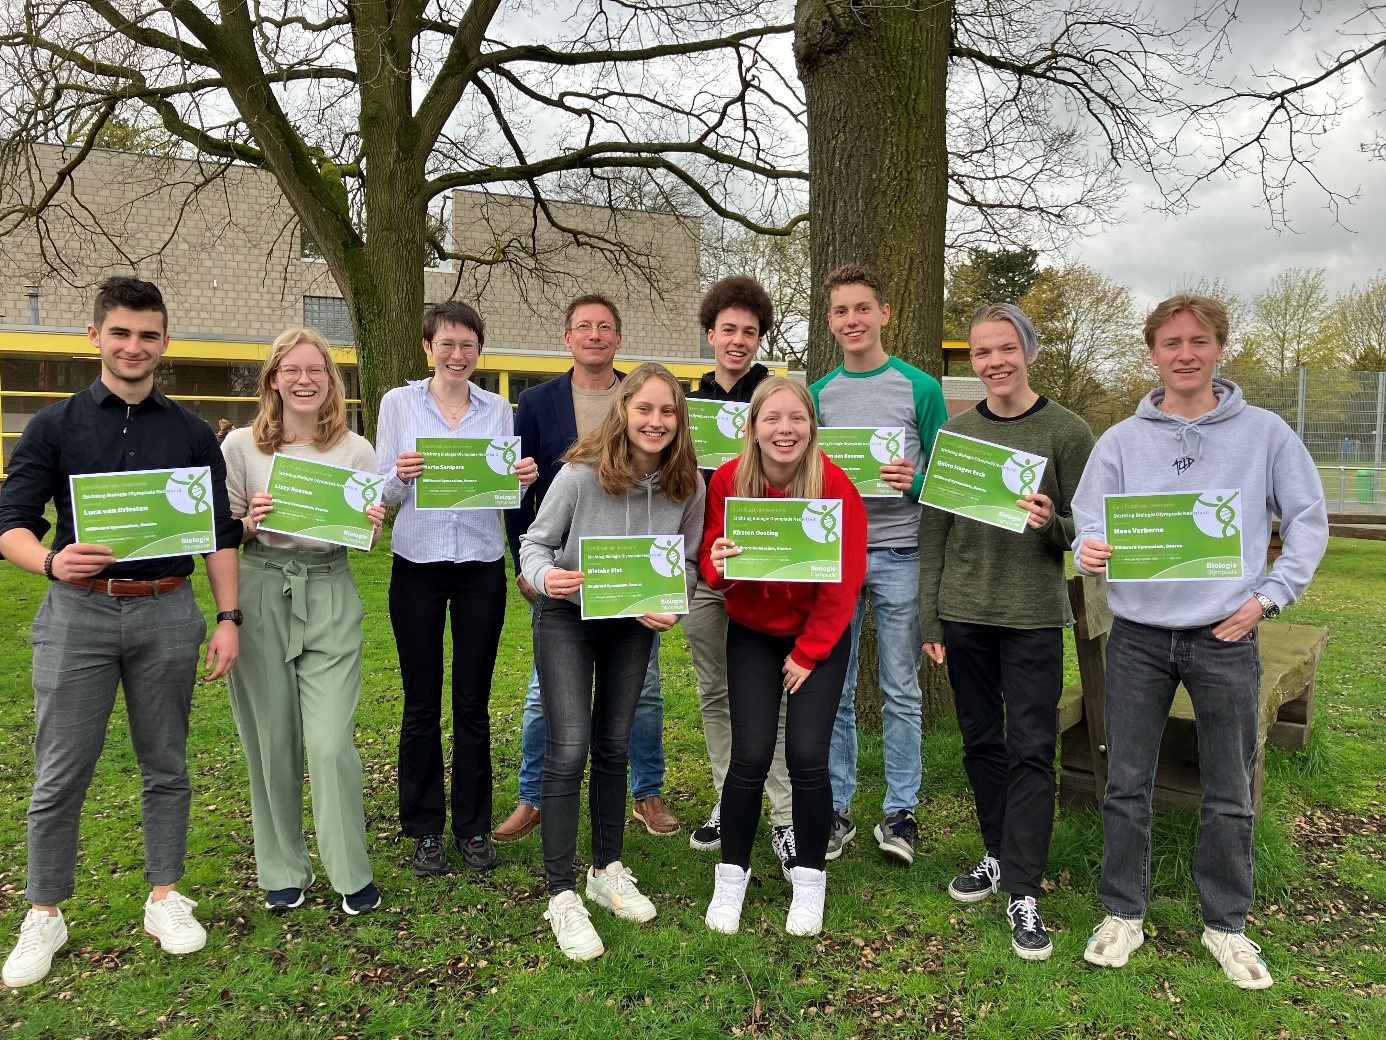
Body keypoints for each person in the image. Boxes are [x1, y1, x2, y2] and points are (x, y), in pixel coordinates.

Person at [1072, 294, 1328, 989]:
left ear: (1219, 348)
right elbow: (1088, 516)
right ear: (1151, 354)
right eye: (1171, 342)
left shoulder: (1267, 434)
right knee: (1126, 781)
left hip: (1224, 636)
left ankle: (1227, 925)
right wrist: (1089, 546)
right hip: (1139, 638)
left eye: (1199, 341)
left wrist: (1268, 598)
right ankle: (1124, 911)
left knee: (1229, 788)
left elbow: (1307, 518)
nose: (1185, 353)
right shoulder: (1122, 439)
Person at [0, 276, 241, 989]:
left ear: (164, 343)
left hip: (169, 608)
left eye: (148, 335)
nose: (134, 347)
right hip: (79, 611)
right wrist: (48, 560)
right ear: (95, 336)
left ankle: (165, 894)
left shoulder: (194, 432)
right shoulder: (53, 426)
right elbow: (9, 522)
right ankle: (45, 910)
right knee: (60, 771)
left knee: (165, 762)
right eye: (121, 333)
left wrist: (229, 618)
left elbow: (220, 536)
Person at [919, 304, 1095, 961]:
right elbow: (933, 528)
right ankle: (997, 855)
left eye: (1005, 348)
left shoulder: (1067, 431)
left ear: (1029, 351)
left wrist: (1052, 522)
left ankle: (1025, 890)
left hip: (1031, 618)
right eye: (982, 351)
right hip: (964, 614)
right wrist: (930, 617)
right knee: (980, 742)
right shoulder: (958, 433)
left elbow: (1091, 528)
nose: (993, 361)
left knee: (1030, 750)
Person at [519, 363, 705, 961]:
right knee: (569, 746)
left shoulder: (688, 486)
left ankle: (606, 869)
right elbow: (533, 543)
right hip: (568, 618)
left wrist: (675, 604)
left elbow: (693, 563)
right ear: (623, 411)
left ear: (680, 421)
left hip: (633, 622)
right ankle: (561, 894)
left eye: (667, 411)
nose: (656, 421)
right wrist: (549, 578)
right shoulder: (578, 474)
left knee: (615, 746)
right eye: (645, 409)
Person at [497, 295, 680, 843]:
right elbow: (519, 493)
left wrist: (670, 589)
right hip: (563, 580)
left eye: (605, 327)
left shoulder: (643, 394)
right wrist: (529, 570)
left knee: (642, 693)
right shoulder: (535, 401)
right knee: (542, 698)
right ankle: (534, 796)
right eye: (584, 327)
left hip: (634, 587)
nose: (595, 335)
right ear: (567, 337)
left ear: (618, 339)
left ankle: (646, 792)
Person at [221, 328, 387, 916]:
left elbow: (367, 534)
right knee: (272, 738)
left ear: (330, 379)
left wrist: (372, 521)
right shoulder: (241, 447)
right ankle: (284, 867)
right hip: (263, 584)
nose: (304, 379)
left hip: (330, 588)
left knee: (329, 740)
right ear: (273, 378)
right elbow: (225, 531)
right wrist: (247, 521)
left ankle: (349, 869)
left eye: (316, 369)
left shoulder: (356, 449)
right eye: (291, 369)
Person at [700, 377, 867, 937]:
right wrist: (719, 562)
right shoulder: (728, 479)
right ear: (753, 427)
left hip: (816, 637)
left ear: (811, 427)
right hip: (750, 630)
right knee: (748, 756)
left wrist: (810, 651)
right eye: (772, 419)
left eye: (796, 418)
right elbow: (710, 561)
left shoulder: (834, 485)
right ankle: (732, 875)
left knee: (806, 757)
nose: (784, 429)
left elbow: (845, 581)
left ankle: (810, 877)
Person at [377, 302, 538, 877]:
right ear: (428, 346)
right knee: (421, 702)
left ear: (478, 350)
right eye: (447, 343)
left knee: (472, 701)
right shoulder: (398, 403)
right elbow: (381, 493)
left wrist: (522, 480)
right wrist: (401, 474)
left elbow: (504, 494)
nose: (457, 355)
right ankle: (424, 829)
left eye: (468, 345)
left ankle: (472, 828)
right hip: (416, 564)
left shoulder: (499, 409)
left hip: (478, 567)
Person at [809, 263, 947, 866]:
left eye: (863, 308)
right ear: (830, 321)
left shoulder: (921, 388)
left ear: (885, 314)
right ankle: (837, 808)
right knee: (835, 688)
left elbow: (947, 480)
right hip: (837, 555)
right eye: (840, 311)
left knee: (900, 687)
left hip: (901, 552)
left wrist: (912, 479)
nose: (852, 321)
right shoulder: (819, 396)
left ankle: (901, 812)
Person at [682, 276, 796, 875]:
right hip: (705, 569)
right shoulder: (687, 402)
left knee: (769, 700)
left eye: (749, 332)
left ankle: (783, 816)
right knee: (715, 693)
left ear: (759, 339)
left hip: (765, 572)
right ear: (711, 334)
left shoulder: (774, 399)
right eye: (728, 329)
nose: (738, 340)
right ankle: (732, 800)